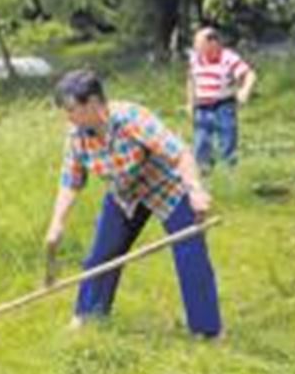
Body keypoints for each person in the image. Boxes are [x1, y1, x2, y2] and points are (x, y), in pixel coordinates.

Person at [44, 69, 222, 337]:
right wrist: (57, 223)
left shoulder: (132, 118)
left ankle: (207, 330)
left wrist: (195, 190)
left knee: (190, 250)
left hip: (166, 187)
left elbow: (180, 154)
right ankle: (88, 317)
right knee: (101, 255)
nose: (68, 117)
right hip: (124, 193)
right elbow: (71, 180)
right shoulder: (77, 136)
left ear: (93, 103)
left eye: (71, 109)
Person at [187, 27, 256, 172]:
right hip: (202, 107)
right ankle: (203, 172)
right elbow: (191, 79)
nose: (196, 47)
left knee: (227, 140)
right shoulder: (195, 59)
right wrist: (190, 102)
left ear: (213, 43)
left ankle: (228, 173)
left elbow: (249, 74)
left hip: (223, 106)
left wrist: (245, 91)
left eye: (199, 44)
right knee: (201, 141)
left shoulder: (228, 58)